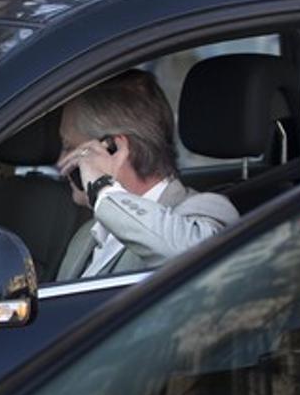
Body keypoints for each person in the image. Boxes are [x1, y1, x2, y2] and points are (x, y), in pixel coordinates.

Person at [55, 69, 238, 280]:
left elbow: (194, 260)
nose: (61, 163)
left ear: (113, 148)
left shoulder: (207, 212)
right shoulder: (87, 234)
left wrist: (102, 188)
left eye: (69, 147)